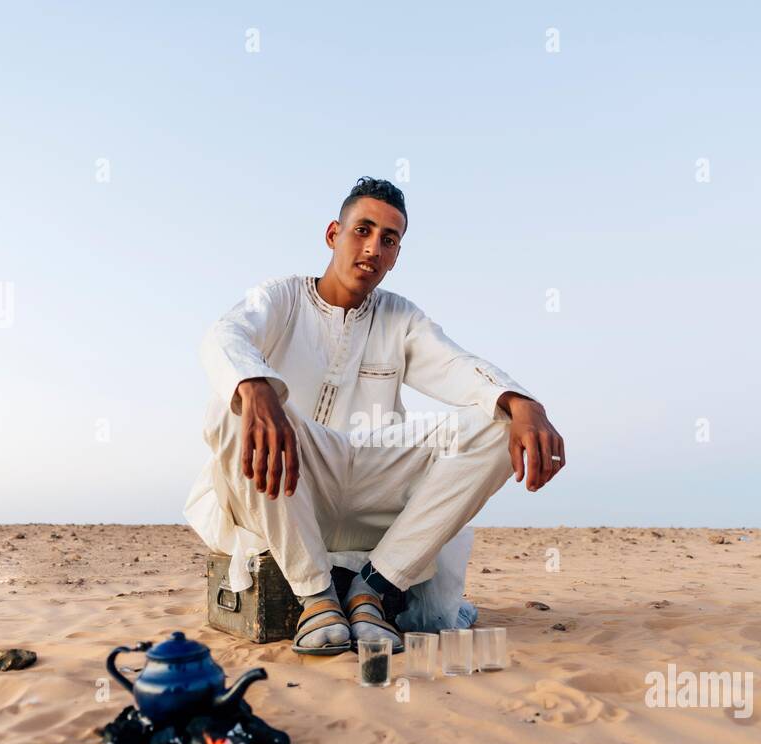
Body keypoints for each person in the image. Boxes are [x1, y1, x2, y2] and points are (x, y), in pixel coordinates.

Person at [184, 177, 565, 655]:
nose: (373, 248)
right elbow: (225, 335)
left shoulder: (399, 317)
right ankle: (316, 596)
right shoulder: (282, 298)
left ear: (396, 254)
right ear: (332, 235)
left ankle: (375, 588)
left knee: (500, 421)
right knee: (229, 403)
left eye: (389, 240)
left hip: (371, 481)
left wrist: (524, 402)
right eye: (362, 230)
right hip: (289, 488)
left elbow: (455, 365)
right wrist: (256, 388)